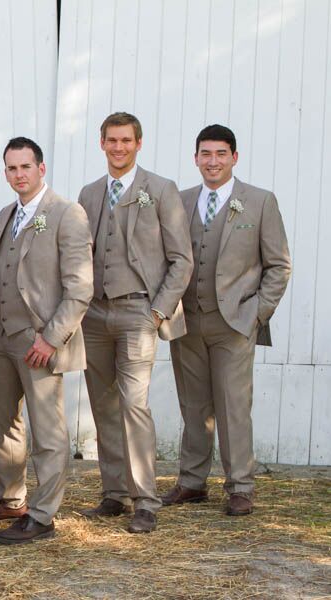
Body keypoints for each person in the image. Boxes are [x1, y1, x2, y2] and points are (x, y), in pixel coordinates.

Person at [0, 137, 93, 544]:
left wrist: (52, 338)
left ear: (41, 168)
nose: (18, 174)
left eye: (25, 167)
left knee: (47, 429)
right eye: (11, 168)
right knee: (2, 423)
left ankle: (43, 514)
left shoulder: (67, 213)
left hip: (39, 339)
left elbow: (80, 288)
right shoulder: (7, 213)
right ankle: (11, 497)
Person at [164, 124, 291, 516]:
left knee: (234, 406)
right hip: (187, 322)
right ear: (196, 158)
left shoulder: (259, 201)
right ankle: (192, 482)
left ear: (234, 157)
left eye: (220, 153)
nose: (212, 161)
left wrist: (256, 314)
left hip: (235, 323)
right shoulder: (178, 202)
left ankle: (240, 486)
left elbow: (279, 266)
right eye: (205, 153)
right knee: (193, 406)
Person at [77, 112, 193, 533]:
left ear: (138, 143)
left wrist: (158, 310)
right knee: (102, 405)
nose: (119, 147)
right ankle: (115, 493)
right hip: (94, 313)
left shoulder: (160, 189)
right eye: (112, 140)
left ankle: (146, 499)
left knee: (134, 403)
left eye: (126, 140)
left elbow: (182, 259)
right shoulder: (89, 193)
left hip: (138, 311)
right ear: (102, 143)